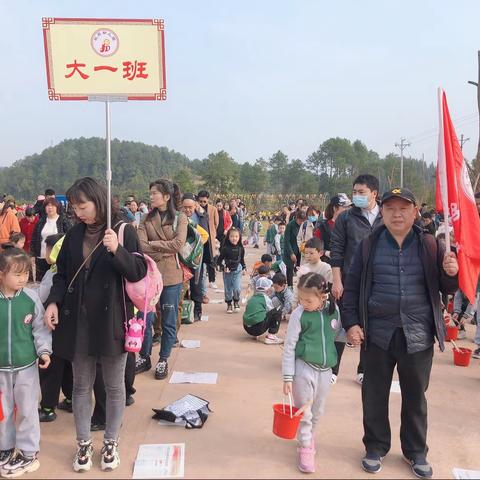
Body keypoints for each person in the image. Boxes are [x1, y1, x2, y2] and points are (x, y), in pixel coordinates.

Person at [342, 187, 459, 479]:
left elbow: (447, 289)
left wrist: (451, 272)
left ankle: (415, 451)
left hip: (418, 334)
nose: (397, 214)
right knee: (374, 393)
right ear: (382, 211)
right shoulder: (369, 245)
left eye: (404, 208)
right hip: (377, 334)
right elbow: (351, 287)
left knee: (415, 396)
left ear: (414, 212)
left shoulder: (430, 245)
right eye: (391, 208)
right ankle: (375, 446)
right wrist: (352, 323)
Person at [44, 177, 147, 473]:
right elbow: (61, 275)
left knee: (114, 387)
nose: (78, 212)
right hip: (78, 322)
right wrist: (53, 302)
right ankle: (84, 443)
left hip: (111, 320)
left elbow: (138, 271)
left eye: (83, 205)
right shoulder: (74, 235)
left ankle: (111, 442)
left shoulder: (123, 231)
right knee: (80, 386)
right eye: (75, 206)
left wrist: (117, 250)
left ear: (99, 201)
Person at [282, 272, 342, 474]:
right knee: (304, 411)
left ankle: (309, 436)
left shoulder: (333, 311)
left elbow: (337, 335)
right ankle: (305, 446)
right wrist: (288, 376)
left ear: (322, 297)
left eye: (308, 300)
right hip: (303, 369)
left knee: (318, 410)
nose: (303, 303)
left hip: (325, 371)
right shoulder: (299, 315)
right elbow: (289, 346)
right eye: (300, 298)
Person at [0, 247, 52, 478]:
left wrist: (44, 351)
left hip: (26, 368)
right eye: (17, 274)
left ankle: (29, 451)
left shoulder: (31, 299)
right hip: (1, 369)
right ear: (1, 274)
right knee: (3, 411)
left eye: (26, 274)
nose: (23, 279)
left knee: (28, 409)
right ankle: (5, 447)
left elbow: (40, 329)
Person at [330, 174, 383, 385]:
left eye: (362, 192)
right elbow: (336, 250)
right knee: (343, 325)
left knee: (371, 327)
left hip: (378, 282)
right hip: (350, 281)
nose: (357, 196)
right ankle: (333, 370)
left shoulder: (385, 215)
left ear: (374, 194)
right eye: (355, 192)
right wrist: (337, 280)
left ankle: (364, 370)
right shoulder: (346, 217)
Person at [137, 179, 187, 380]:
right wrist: (163, 248)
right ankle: (144, 355)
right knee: (145, 319)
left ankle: (163, 359)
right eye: (150, 194)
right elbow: (140, 245)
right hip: (149, 274)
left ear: (166, 197)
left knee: (167, 320)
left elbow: (178, 244)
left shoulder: (180, 218)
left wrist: (153, 244)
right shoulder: (145, 218)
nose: (151, 197)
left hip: (171, 276)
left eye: (154, 194)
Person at [37, 234, 72, 423]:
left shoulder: (55, 271)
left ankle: (48, 408)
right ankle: (70, 399)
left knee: (50, 366)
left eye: (48, 248)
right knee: (68, 365)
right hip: (69, 324)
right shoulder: (71, 269)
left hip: (52, 324)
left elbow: (43, 295)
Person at [31, 198, 70, 282]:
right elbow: (34, 238)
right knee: (41, 282)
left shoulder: (63, 220)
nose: (50, 208)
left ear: (57, 207)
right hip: (41, 256)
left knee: (56, 281)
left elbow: (69, 238)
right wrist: (32, 254)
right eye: (47, 205)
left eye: (52, 205)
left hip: (57, 258)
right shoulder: (41, 221)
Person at [243, 277, 283, 344]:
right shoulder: (266, 299)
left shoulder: (252, 298)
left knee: (258, 311)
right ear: (267, 289)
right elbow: (272, 312)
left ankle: (255, 334)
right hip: (258, 328)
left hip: (247, 327)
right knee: (277, 312)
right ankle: (271, 337)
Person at [217, 227, 246, 313]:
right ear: (228, 237)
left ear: (239, 237)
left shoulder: (241, 248)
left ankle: (236, 302)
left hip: (237, 270)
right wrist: (223, 268)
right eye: (232, 236)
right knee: (228, 288)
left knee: (237, 288)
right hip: (227, 271)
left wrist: (244, 268)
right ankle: (229, 304)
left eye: (236, 236)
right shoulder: (225, 248)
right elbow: (218, 261)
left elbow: (242, 259)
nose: (234, 238)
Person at [315, 194, 352, 261]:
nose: (348, 209)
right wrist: (326, 252)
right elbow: (315, 247)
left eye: (349, 207)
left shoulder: (353, 225)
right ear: (335, 208)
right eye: (345, 207)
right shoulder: (323, 228)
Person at [197, 190, 220, 289]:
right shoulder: (195, 209)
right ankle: (199, 283)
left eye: (204, 201)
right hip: (199, 237)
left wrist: (212, 233)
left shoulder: (213, 209)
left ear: (208, 200)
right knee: (199, 261)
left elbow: (216, 223)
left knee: (211, 261)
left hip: (210, 237)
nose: (202, 203)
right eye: (200, 201)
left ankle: (212, 280)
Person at [283, 210, 307, 287]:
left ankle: (301, 286)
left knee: (301, 269)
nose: (301, 222)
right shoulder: (290, 225)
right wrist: (291, 253)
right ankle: (290, 287)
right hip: (291, 249)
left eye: (303, 220)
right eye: (300, 220)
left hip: (301, 250)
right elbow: (286, 241)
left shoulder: (304, 225)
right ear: (296, 218)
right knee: (289, 269)